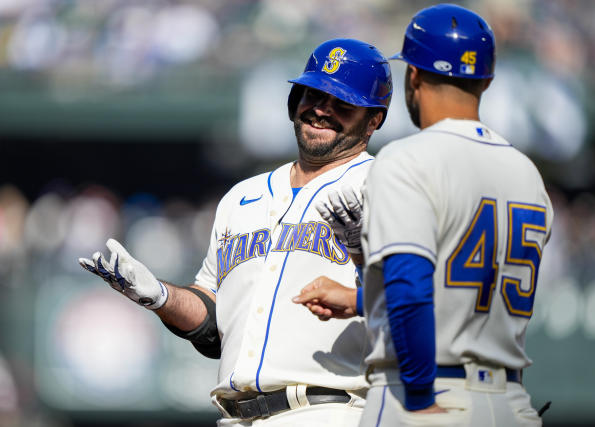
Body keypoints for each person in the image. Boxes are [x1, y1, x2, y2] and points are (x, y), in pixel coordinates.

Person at [78, 38, 392, 426]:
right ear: (295, 101)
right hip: (234, 414)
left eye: (342, 102)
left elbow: (417, 302)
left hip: (330, 408)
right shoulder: (242, 197)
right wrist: (160, 296)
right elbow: (213, 327)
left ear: (374, 118)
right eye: (313, 94)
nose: (322, 110)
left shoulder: (386, 186)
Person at [294, 5, 554, 426]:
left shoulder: (406, 158)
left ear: (413, 76)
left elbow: (410, 288)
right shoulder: (526, 172)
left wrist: (417, 397)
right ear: (485, 79)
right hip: (510, 400)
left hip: (426, 392)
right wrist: (361, 300)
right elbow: (464, 294)